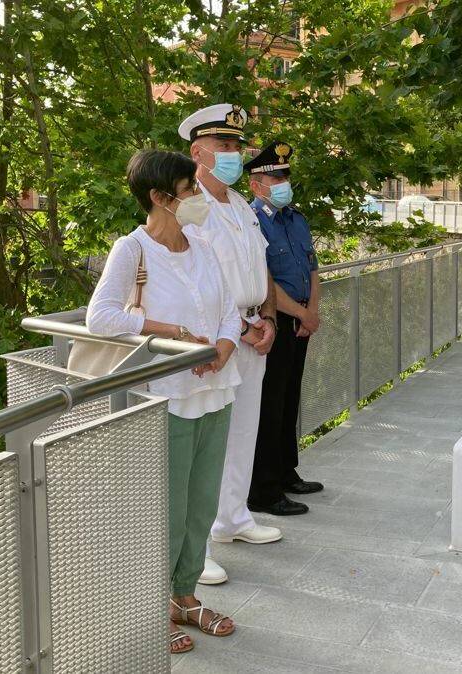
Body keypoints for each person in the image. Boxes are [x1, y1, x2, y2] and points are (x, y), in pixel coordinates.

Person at [86, 149, 241, 654]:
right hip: (166, 396)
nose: (197, 196)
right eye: (189, 188)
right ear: (160, 197)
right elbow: (102, 318)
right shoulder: (131, 249)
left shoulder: (201, 244)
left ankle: (185, 596)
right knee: (165, 510)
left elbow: (228, 311)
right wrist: (171, 334)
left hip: (215, 387)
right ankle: (153, 608)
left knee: (201, 504)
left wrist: (222, 346)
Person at [178, 104, 282, 587]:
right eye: (224, 146)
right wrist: (238, 328)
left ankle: (232, 518)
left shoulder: (240, 205)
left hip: (251, 328)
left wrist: (268, 319)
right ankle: (195, 549)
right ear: (197, 151)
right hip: (217, 336)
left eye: (237, 145)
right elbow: (196, 277)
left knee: (243, 431)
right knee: (206, 443)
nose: (234, 154)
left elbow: (259, 268)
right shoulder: (189, 204)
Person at [245, 141, 323, 516]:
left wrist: (312, 311)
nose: (282, 181)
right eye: (274, 176)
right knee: (269, 405)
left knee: (290, 398)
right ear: (255, 184)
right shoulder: (251, 221)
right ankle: (263, 489)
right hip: (272, 321)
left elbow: (311, 268)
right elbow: (265, 281)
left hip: (300, 320)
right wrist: (299, 313)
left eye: (285, 175)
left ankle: (286, 470)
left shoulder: (296, 219)